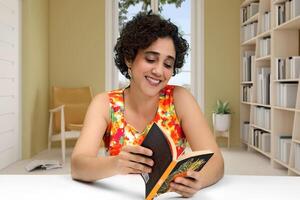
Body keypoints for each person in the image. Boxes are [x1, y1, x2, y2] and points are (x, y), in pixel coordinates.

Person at [71, 12, 224, 198]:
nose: (159, 71)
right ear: (129, 59)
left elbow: (216, 162)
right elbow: (78, 165)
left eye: (168, 64)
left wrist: (197, 180)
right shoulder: (105, 104)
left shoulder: (180, 99)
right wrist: (116, 163)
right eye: (151, 59)